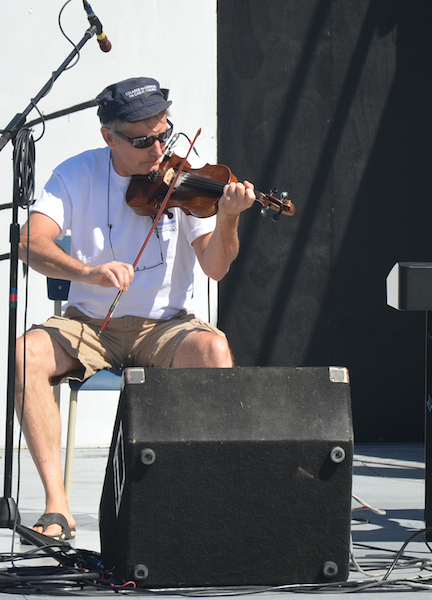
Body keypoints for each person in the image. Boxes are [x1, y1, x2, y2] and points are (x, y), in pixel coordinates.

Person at [14, 77, 257, 541]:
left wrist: (228, 218)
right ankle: (57, 505)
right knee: (25, 354)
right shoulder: (76, 173)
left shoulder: (184, 182)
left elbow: (216, 267)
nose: (159, 147)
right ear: (109, 135)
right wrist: (87, 272)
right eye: (144, 140)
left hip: (165, 327)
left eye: (164, 133)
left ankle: (202, 500)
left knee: (214, 350)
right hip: (89, 325)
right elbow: (28, 241)